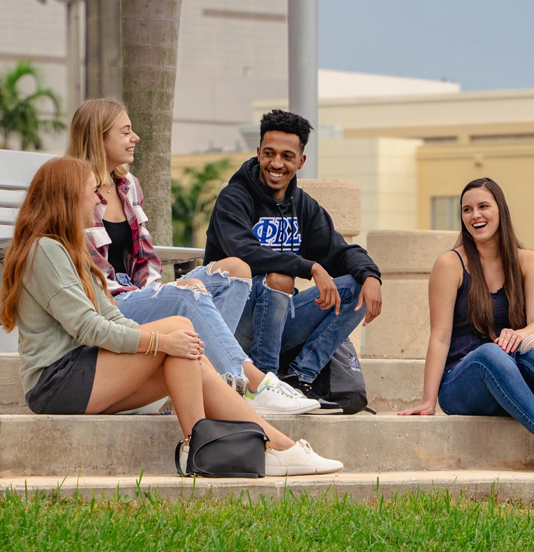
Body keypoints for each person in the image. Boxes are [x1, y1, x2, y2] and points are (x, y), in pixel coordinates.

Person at [0, 157, 343, 476]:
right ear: (68, 198)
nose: (99, 200)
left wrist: (164, 344)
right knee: (179, 330)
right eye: (92, 191)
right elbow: (89, 328)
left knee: (186, 356)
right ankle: (276, 445)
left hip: (83, 373)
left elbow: (113, 319)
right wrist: (159, 340)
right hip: (56, 382)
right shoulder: (45, 249)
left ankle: (225, 447)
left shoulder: (72, 252)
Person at [66, 98, 318, 416]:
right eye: (126, 131)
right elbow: (92, 275)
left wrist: (160, 293)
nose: (135, 137)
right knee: (186, 294)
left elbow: (145, 258)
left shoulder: (127, 186)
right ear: (98, 138)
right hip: (109, 305)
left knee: (235, 271)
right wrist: (167, 295)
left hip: (139, 296)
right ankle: (248, 383)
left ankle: (212, 378)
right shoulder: (77, 191)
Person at [399, 177, 534, 474]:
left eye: (483, 206)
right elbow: (440, 337)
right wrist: (428, 401)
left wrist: (519, 334)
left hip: (515, 380)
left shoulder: (529, 262)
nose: (475, 215)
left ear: (500, 210)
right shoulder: (450, 264)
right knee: (491, 353)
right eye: (466, 210)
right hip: (463, 385)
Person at [204, 109, 383, 412]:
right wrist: (309, 267)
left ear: (300, 161)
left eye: (287, 156)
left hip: (279, 320)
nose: (276, 163)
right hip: (232, 325)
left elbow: (340, 250)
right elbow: (246, 253)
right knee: (278, 279)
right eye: (270, 153)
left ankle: (299, 378)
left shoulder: (303, 206)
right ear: (258, 152)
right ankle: (262, 385)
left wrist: (371, 276)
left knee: (356, 287)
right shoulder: (234, 198)